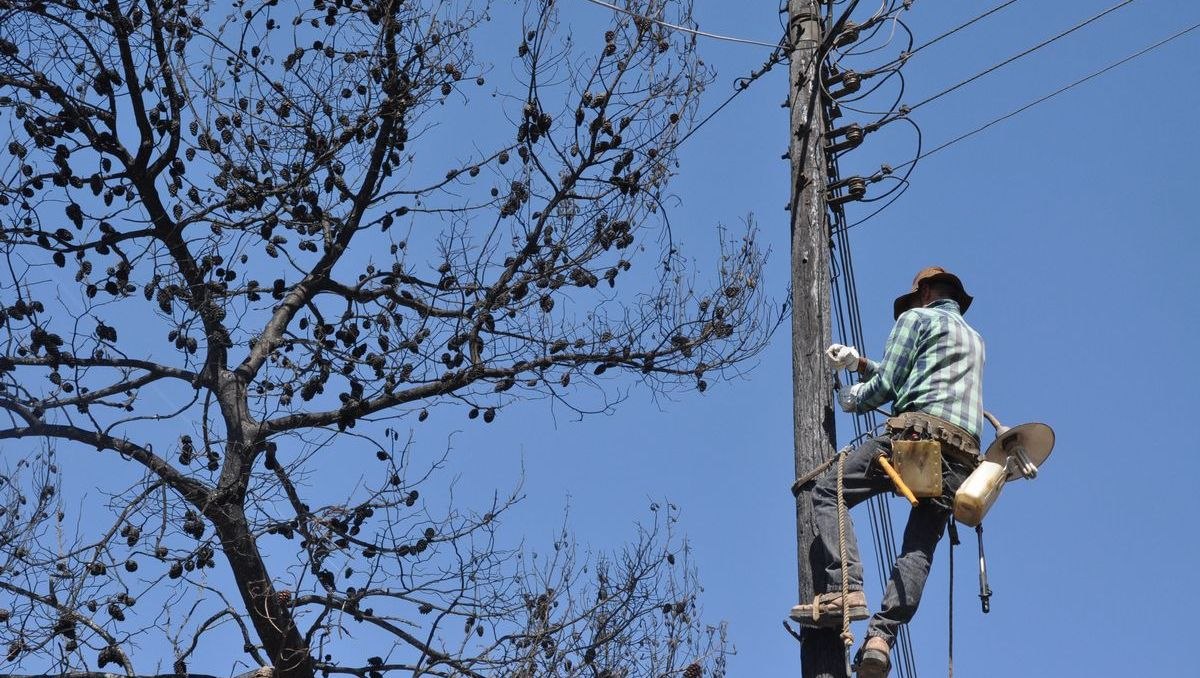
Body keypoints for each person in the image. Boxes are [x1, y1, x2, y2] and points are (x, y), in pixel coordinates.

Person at [790, 266, 985, 678]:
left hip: (916, 442)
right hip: (961, 462)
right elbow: (916, 377)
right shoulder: (975, 340)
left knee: (828, 490)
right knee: (918, 548)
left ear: (925, 292)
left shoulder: (916, 318)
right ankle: (881, 638)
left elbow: (889, 386)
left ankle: (844, 589)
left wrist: (852, 398)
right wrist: (860, 363)